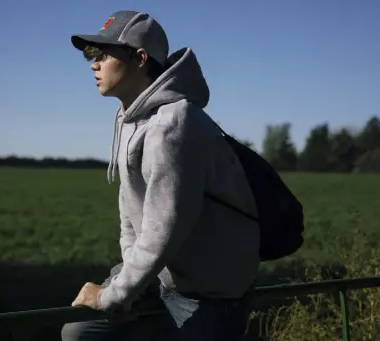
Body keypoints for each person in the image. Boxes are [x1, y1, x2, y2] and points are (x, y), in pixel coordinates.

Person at [63, 9, 260, 341]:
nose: (94, 65)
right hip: (161, 279)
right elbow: (130, 210)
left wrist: (111, 295)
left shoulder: (174, 122)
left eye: (104, 55)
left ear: (140, 58)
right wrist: (129, 288)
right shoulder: (130, 118)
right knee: (78, 332)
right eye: (91, 58)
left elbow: (163, 230)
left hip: (207, 297)